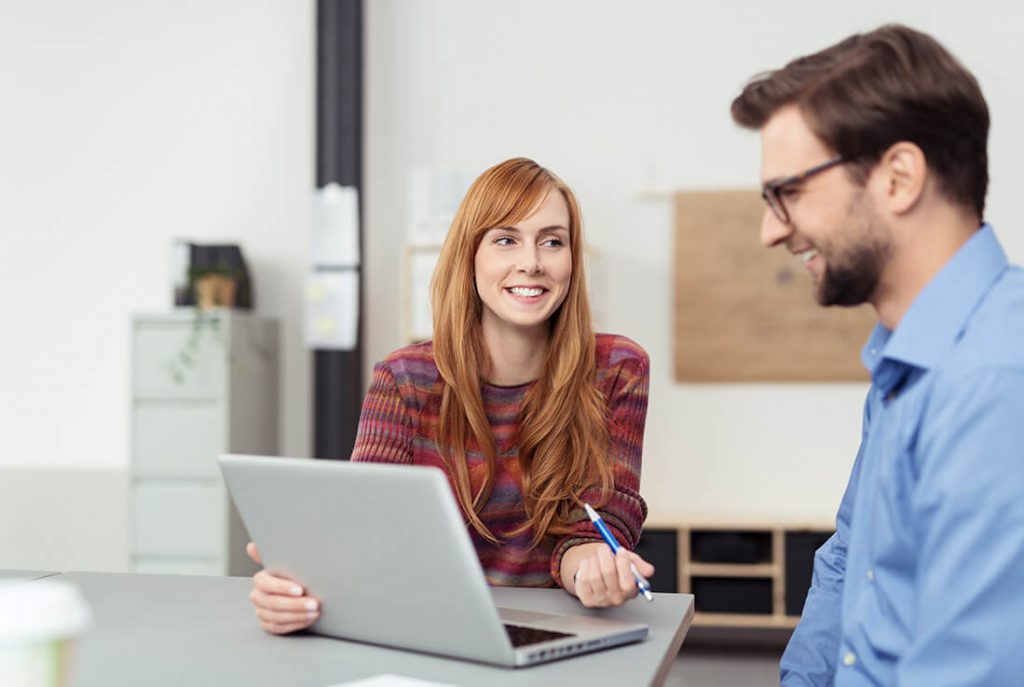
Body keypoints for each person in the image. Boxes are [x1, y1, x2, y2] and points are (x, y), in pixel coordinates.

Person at [247, 157, 655, 635]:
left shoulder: (617, 369)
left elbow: (599, 520)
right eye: (506, 239)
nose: (532, 262)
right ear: (471, 255)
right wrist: (295, 592)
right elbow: (366, 532)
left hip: (556, 629)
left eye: (552, 241)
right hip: (425, 626)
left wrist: (594, 567)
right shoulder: (404, 378)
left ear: (571, 258)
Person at [730, 24, 1024, 685]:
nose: (770, 229)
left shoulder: (997, 382)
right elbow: (847, 566)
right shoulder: (905, 358)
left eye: (790, 191)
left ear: (897, 178)